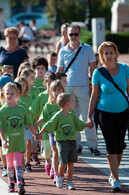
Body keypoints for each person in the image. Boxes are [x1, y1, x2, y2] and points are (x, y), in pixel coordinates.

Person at [88, 41, 129, 192]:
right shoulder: (99, 72)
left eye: (110, 52)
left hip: (123, 112)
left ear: (115, 53)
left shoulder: (124, 69)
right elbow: (94, 95)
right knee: (111, 146)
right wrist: (89, 116)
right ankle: (116, 179)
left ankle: (112, 173)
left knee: (120, 145)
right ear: (102, 56)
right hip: (104, 113)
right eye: (105, 53)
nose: (108, 56)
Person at [56, 24, 100, 156]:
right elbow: (60, 71)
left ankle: (93, 146)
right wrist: (59, 89)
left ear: (80, 35)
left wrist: (94, 85)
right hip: (68, 88)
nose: (73, 37)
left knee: (88, 117)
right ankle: (77, 145)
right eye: (71, 34)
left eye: (76, 34)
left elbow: (93, 68)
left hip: (84, 87)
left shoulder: (87, 49)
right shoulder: (63, 51)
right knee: (72, 118)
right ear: (67, 35)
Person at [38, 93, 93, 190]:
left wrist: (86, 124)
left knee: (71, 162)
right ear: (67, 104)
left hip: (72, 142)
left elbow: (79, 124)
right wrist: (40, 133)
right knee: (63, 162)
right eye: (72, 101)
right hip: (62, 142)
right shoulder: (58, 116)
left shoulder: (72, 115)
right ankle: (59, 176)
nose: (74, 103)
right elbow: (48, 124)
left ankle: (70, 181)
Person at [0, 82, 37, 194]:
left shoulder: (22, 109)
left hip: (19, 142)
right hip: (8, 143)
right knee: (10, 164)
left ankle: (20, 184)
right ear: (3, 95)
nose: (9, 96)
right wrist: (3, 139)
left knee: (18, 162)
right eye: (7, 94)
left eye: (12, 93)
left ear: (17, 94)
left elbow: (29, 123)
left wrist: (35, 134)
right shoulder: (2, 110)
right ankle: (11, 183)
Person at [34, 80, 65, 182]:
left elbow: (72, 116)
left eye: (59, 90)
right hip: (52, 133)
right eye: (54, 91)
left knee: (62, 154)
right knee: (55, 152)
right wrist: (35, 125)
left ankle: (56, 169)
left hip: (64, 133)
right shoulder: (48, 105)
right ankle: (56, 172)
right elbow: (43, 119)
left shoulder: (66, 104)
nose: (57, 93)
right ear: (51, 92)